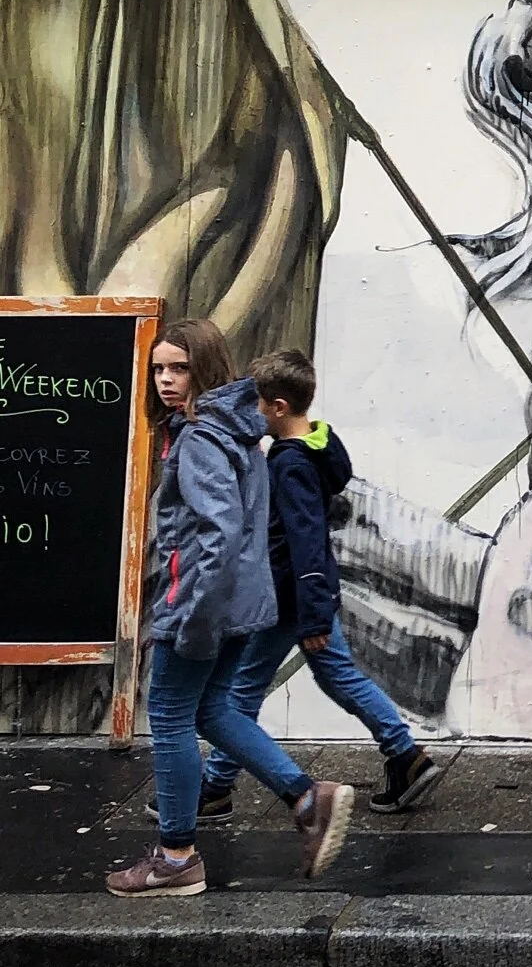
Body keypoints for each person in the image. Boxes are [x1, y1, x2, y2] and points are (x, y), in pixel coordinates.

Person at [106, 319, 355, 898]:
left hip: (204, 605)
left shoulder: (200, 438)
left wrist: (190, 615)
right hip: (243, 603)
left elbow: (216, 534)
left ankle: (176, 857)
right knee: (213, 710)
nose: (166, 380)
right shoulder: (241, 430)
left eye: (180, 368)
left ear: (207, 368)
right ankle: (305, 798)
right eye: (159, 368)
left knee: (169, 716)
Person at [191, 350, 443, 819]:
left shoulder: (290, 465)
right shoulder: (314, 448)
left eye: (255, 404)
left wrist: (312, 614)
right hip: (307, 594)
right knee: (336, 676)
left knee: (241, 692)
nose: (250, 412)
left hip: (289, 596)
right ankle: (406, 756)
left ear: (278, 407)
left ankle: (215, 788)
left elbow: (304, 540)